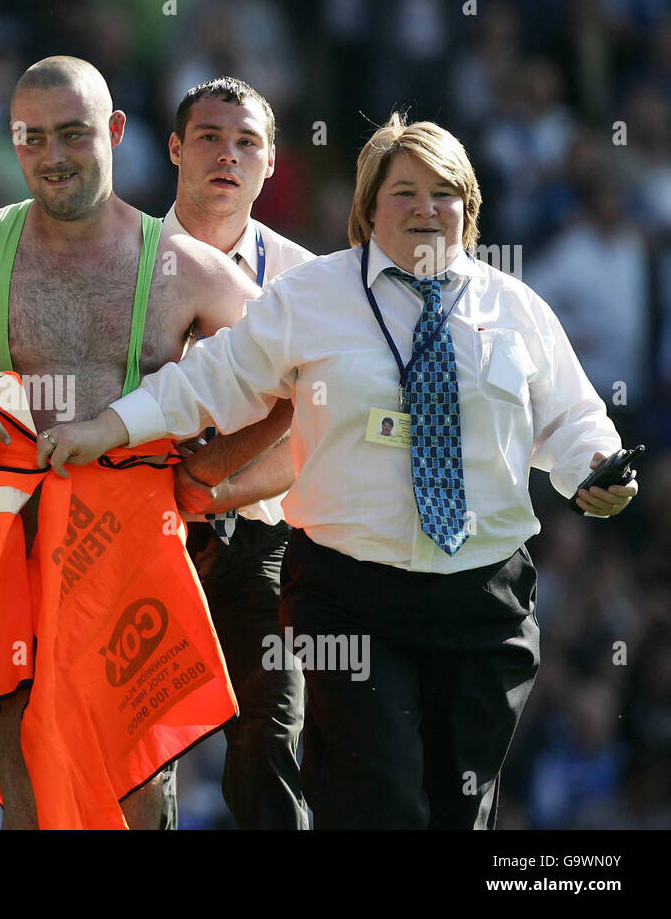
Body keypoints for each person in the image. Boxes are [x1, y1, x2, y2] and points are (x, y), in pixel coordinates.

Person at [40, 113, 639, 828]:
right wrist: (104, 427)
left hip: (486, 601)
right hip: (349, 595)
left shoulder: (515, 306)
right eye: (403, 193)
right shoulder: (311, 298)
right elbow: (207, 382)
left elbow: (570, 420)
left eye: (443, 193)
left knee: (462, 809)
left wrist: (595, 474)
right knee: (373, 798)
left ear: (469, 209)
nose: (424, 209)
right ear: (367, 207)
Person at [0, 56, 290, 829]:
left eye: (73, 134)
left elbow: (301, 387)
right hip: (5, 551)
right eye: (32, 139)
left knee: (135, 793)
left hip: (128, 556)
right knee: (24, 786)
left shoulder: (184, 269)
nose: (53, 156)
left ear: (114, 132)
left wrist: (211, 480)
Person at [160, 76, 313, 830]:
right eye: (211, 138)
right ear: (174, 149)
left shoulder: (308, 281)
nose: (228, 155)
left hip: (260, 539)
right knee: (138, 753)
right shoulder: (116, 263)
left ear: (273, 162)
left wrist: (216, 492)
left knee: (272, 737)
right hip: (137, 535)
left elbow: (319, 432)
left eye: (247, 141)